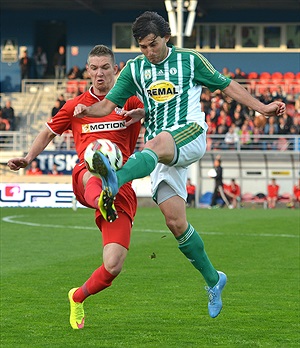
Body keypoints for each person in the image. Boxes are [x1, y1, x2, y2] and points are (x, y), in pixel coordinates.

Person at [73, 11, 286, 319]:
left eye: (153, 44)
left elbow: (227, 86)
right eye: (143, 47)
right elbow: (107, 106)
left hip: (189, 133)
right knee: (175, 223)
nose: (148, 51)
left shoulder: (190, 61)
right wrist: (86, 110)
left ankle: (114, 180)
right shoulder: (135, 69)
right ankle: (214, 280)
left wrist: (263, 109)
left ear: (166, 38)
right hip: (162, 152)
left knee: (154, 144)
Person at [7, 45, 144, 330]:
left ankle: (78, 296)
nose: (99, 73)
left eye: (105, 67)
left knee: (113, 265)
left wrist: (142, 113)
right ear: (87, 71)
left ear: (115, 70)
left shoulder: (129, 101)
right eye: (93, 68)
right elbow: (47, 131)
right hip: (86, 179)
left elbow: (155, 113)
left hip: (122, 185)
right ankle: (101, 196)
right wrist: (28, 158)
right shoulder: (75, 106)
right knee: (92, 166)